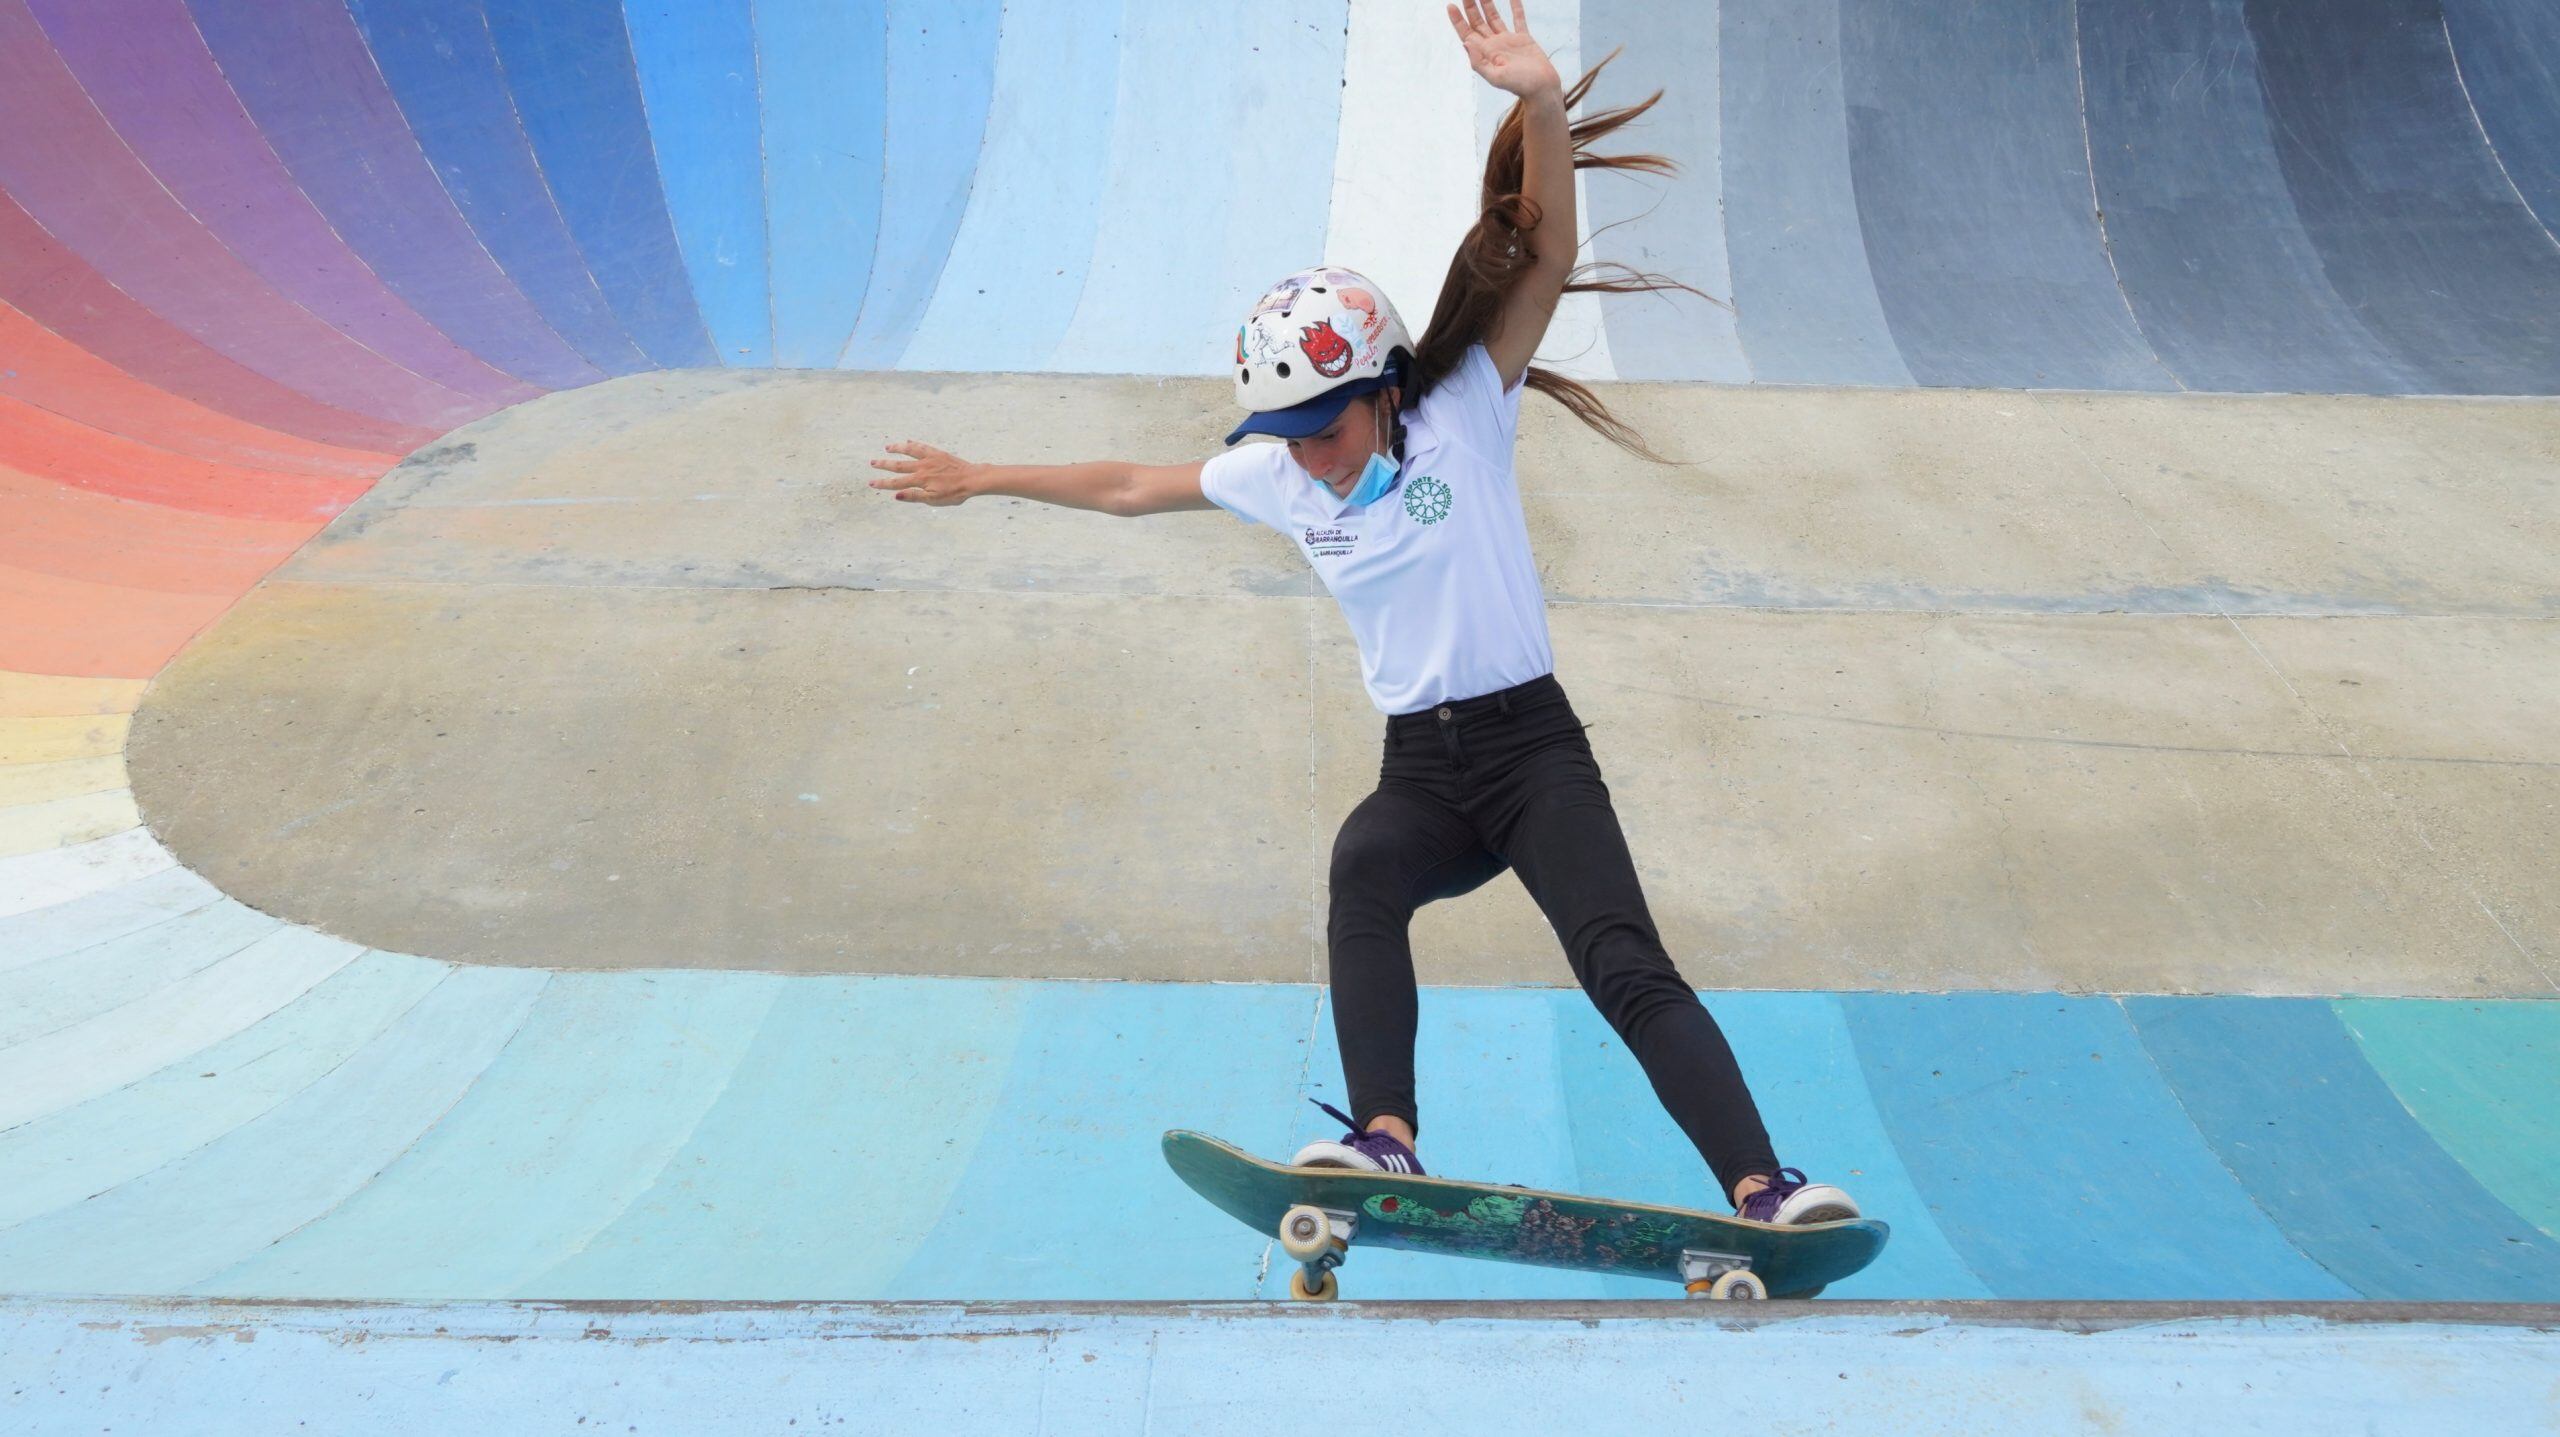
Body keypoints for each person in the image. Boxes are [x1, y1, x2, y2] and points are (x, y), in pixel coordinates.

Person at [871, 0, 1857, 1226]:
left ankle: (1765, 1187)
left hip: (1531, 754)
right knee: (1364, 870)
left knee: (1621, 964)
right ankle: (1387, 1139)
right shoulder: (1281, 476)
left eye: (1324, 427)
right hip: (1426, 771)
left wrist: (1539, 103)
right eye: (1284, 439)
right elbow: (1132, 485)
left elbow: (1541, 258)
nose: (1311, 459)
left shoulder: (1466, 411)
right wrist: (983, 475)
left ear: (1383, 393)